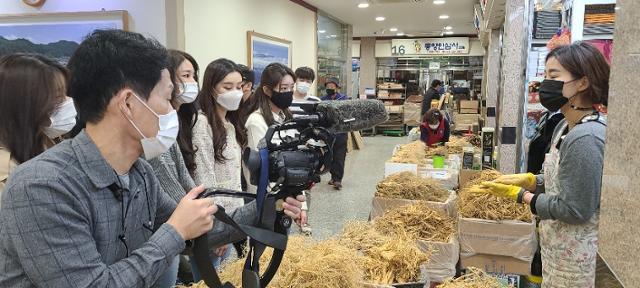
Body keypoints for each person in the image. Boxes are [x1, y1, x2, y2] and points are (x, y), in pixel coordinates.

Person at [0, 29, 304, 287]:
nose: (173, 110)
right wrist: (174, 231)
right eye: (166, 97)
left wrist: (270, 204)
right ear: (129, 104)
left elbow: (200, 231)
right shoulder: (41, 186)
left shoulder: (139, 173)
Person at [470, 42, 609, 287]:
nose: (545, 84)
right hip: (558, 248)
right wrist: (535, 180)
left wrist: (522, 196)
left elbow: (575, 209)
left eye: (554, 76)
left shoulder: (587, 137)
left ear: (582, 83)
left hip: (578, 259)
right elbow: (562, 179)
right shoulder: (564, 126)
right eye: (545, 75)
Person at [147, 49, 200, 286]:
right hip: (162, 234)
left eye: (193, 76)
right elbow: (169, 191)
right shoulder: (151, 137)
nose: (191, 83)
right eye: (186, 76)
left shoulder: (172, 126)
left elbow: (184, 178)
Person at [190, 58, 247, 278]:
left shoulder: (230, 125)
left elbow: (234, 178)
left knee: (226, 277)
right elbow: (204, 179)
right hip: (213, 222)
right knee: (208, 279)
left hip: (232, 219)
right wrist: (217, 230)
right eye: (227, 87)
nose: (236, 92)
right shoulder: (202, 124)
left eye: (239, 87)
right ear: (211, 88)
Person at [0, 53, 75, 205]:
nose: (67, 102)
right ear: (27, 105)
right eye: (57, 97)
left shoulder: (45, 139)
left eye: (65, 94)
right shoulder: (6, 174)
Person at [243, 62, 296, 191]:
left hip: (288, 189)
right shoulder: (256, 121)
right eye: (283, 88)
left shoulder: (286, 117)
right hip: (268, 196)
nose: (289, 92)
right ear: (267, 90)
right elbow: (258, 168)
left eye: (291, 87)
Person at [321, 78, 349, 190]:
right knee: (329, 157)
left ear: (337, 88)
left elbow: (347, 114)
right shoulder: (323, 100)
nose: (330, 88)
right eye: (328, 87)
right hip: (328, 134)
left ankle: (338, 180)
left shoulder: (344, 99)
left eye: (332, 87)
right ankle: (333, 176)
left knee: (339, 157)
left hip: (340, 133)